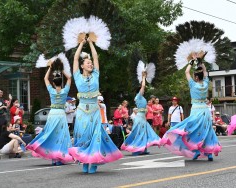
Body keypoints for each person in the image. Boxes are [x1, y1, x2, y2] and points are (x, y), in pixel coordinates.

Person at [68, 38, 122, 174]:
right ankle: (85, 160)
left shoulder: (96, 75)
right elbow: (75, 59)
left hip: (94, 111)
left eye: (91, 63)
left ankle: (94, 161)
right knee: (82, 136)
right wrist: (80, 44)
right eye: (88, 62)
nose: (90, 64)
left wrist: (91, 43)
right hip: (81, 112)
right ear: (82, 66)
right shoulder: (77, 76)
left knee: (94, 136)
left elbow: (96, 57)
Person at [160, 52, 221, 161]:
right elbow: (205, 71)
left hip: (196, 110)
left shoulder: (193, 84)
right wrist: (200, 62)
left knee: (192, 130)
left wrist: (192, 61)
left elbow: (186, 71)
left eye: (194, 76)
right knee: (207, 131)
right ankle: (209, 153)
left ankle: (196, 150)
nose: (193, 76)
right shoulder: (206, 83)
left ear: (196, 77)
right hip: (205, 111)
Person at [26, 57, 73, 165]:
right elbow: (69, 79)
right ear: (61, 83)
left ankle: (53, 158)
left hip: (52, 113)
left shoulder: (51, 91)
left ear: (53, 83)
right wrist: (61, 70)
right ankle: (60, 157)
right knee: (61, 135)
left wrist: (50, 68)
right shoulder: (64, 91)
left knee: (50, 134)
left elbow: (45, 79)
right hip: (61, 114)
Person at [121, 72, 161, 155]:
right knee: (139, 133)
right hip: (140, 117)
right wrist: (143, 77)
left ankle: (143, 149)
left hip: (142, 117)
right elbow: (143, 86)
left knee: (144, 132)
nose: (143, 90)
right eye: (141, 89)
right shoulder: (138, 96)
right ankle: (136, 149)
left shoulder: (141, 97)